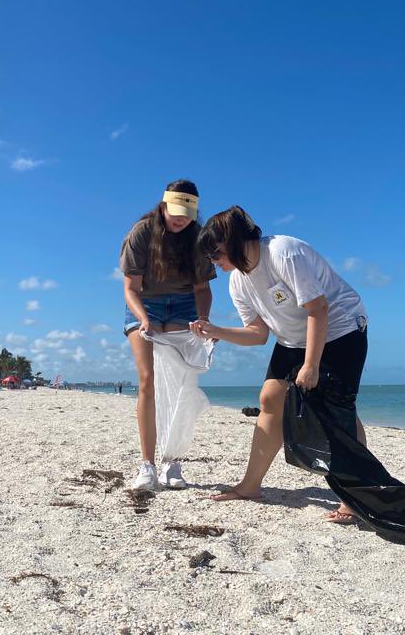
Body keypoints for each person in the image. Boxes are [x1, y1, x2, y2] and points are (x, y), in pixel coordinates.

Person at [191, 206, 369, 524]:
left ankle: (354, 498)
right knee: (270, 398)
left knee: (338, 410)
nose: (213, 262)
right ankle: (250, 485)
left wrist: (311, 365)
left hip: (341, 328)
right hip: (293, 339)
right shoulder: (237, 283)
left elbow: (318, 309)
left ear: (232, 241)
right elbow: (258, 335)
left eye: (214, 252)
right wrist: (215, 331)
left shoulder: (282, 253)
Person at [120, 179, 216, 490]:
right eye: (175, 212)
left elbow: (203, 289)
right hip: (144, 303)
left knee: (180, 385)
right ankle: (147, 465)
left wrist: (203, 320)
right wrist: (144, 318)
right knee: (148, 380)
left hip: (184, 305)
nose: (180, 219)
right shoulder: (142, 233)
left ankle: (172, 462)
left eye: (187, 215)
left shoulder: (198, 240)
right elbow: (130, 289)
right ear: (163, 206)